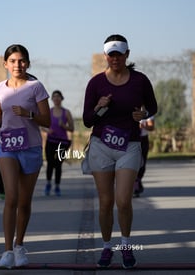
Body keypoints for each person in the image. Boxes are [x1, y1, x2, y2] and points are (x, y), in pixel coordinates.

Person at [82, 34, 157, 269]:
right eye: (111, 54)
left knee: (123, 201)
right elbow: (86, 120)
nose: (115, 58)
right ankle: (106, 248)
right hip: (101, 146)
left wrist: (143, 115)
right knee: (105, 202)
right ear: (105, 56)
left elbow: (152, 107)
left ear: (127, 54)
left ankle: (125, 246)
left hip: (129, 145)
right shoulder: (96, 83)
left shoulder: (140, 80)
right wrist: (99, 106)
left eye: (119, 54)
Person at [0, 44, 50, 269]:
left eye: (22, 60)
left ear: (28, 63)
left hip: (31, 147)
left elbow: (47, 121)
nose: (17, 65)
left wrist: (29, 114)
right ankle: (6, 251)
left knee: (24, 201)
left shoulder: (36, 87)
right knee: (11, 197)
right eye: (13, 61)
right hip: (7, 146)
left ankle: (19, 245)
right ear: (5, 64)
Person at [44, 90, 74, 196]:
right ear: (52, 99)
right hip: (50, 141)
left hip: (62, 143)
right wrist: (47, 130)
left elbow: (72, 128)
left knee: (58, 165)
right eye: (54, 97)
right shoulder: (49, 111)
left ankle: (57, 186)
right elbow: (41, 125)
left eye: (58, 97)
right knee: (50, 164)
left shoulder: (66, 112)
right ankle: (48, 184)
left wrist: (64, 126)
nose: (56, 99)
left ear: (61, 98)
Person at [134, 116, 155, 197]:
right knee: (132, 163)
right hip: (131, 138)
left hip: (143, 139)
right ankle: (134, 186)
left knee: (142, 163)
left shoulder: (148, 113)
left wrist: (143, 126)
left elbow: (151, 127)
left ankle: (137, 183)